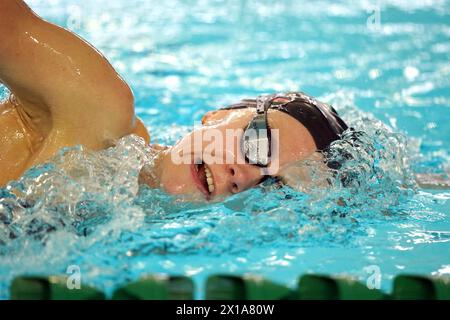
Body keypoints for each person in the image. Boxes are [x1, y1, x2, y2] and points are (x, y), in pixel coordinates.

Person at [1, 1, 446, 202]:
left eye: (276, 185)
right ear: (216, 116)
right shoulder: (92, 110)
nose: (246, 176)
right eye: (257, 147)